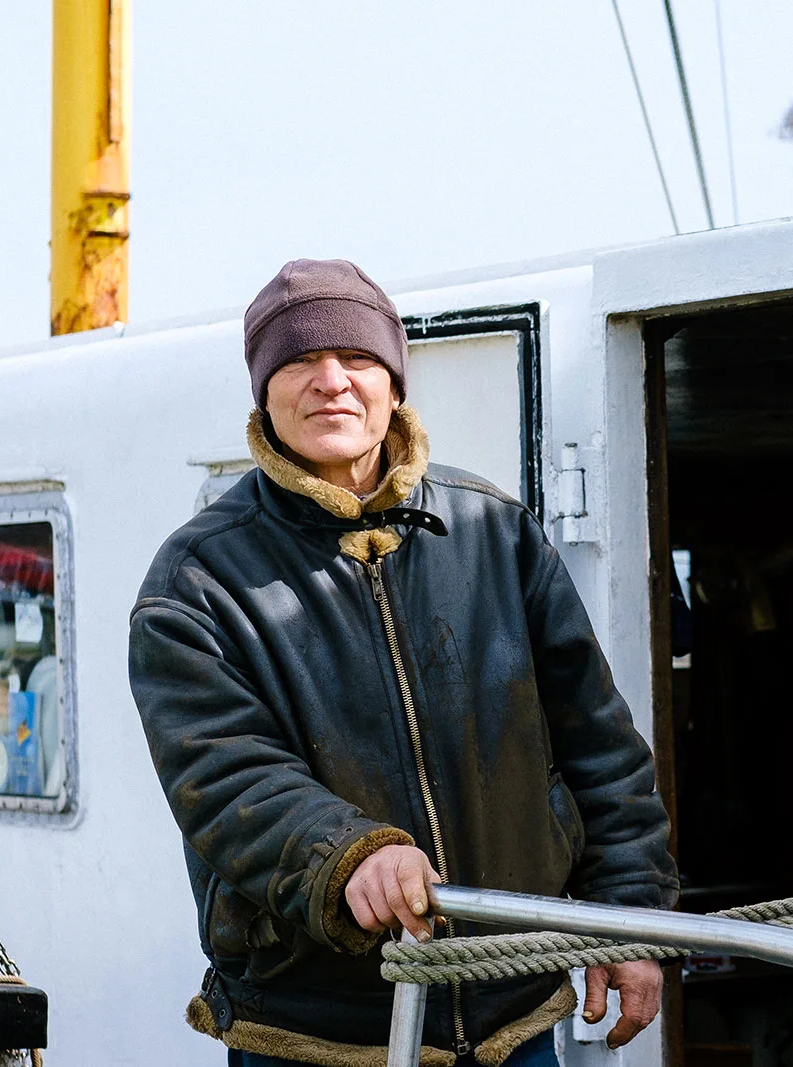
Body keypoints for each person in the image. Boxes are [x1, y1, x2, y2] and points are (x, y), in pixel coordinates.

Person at [129, 259, 678, 1066]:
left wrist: (627, 915)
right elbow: (224, 776)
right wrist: (351, 851)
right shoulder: (196, 580)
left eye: (355, 359)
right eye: (298, 362)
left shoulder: (497, 530)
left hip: (514, 1013)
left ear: (393, 382)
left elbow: (597, 740)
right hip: (314, 1030)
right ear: (263, 391)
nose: (330, 381)